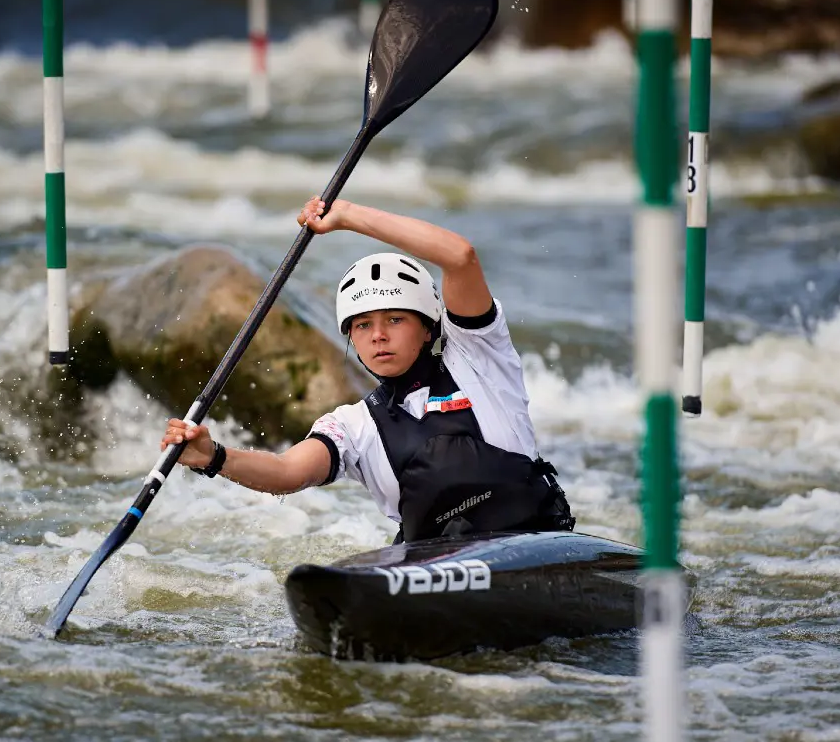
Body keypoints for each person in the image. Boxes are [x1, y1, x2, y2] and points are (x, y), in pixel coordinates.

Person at [160, 196, 574, 543]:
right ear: (352, 338)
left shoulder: (478, 356)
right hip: (436, 569)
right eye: (363, 325)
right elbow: (288, 472)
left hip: (535, 543)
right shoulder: (354, 425)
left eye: (395, 319)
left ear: (428, 328)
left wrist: (348, 215)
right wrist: (213, 457)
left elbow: (460, 257)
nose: (378, 335)